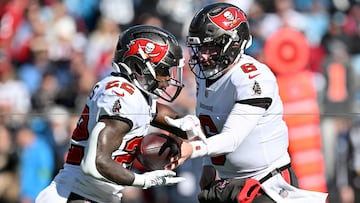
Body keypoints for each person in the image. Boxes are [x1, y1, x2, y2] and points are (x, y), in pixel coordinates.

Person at [165, 2, 328, 203]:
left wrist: (193, 150)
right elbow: (214, 125)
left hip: (266, 185)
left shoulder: (252, 77)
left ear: (233, 43)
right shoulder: (205, 74)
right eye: (200, 48)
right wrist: (209, 166)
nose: (203, 56)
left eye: (210, 47)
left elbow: (232, 138)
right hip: (227, 183)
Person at [36, 25, 200, 203]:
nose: (168, 78)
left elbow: (159, 112)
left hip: (95, 195)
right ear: (139, 66)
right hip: (77, 194)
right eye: (163, 70)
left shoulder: (136, 95)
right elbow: (95, 163)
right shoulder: (122, 96)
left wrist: (187, 124)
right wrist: (143, 180)